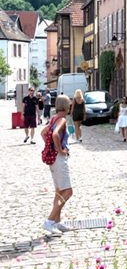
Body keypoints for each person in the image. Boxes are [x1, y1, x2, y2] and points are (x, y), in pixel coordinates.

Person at [43, 94, 73, 233]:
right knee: (68, 192)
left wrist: (50, 147)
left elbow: (43, 133)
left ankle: (57, 222)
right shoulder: (61, 119)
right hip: (59, 159)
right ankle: (49, 221)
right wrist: (59, 149)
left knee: (59, 191)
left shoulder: (54, 118)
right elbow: (55, 134)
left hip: (53, 159)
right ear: (67, 106)